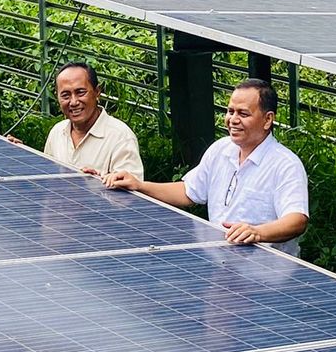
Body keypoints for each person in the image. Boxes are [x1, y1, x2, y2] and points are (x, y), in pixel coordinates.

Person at [103, 78, 309, 255]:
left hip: (268, 275)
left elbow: (296, 219)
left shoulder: (285, 164)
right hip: (222, 264)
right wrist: (139, 185)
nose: (233, 120)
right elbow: (187, 191)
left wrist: (258, 232)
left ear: (268, 120)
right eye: (230, 111)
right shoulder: (220, 149)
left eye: (243, 114)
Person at [36, 62, 144, 179]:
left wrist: (98, 181)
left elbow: (132, 190)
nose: (73, 102)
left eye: (80, 92)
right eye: (65, 95)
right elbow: (46, 180)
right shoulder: (57, 132)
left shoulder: (121, 137)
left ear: (97, 92)